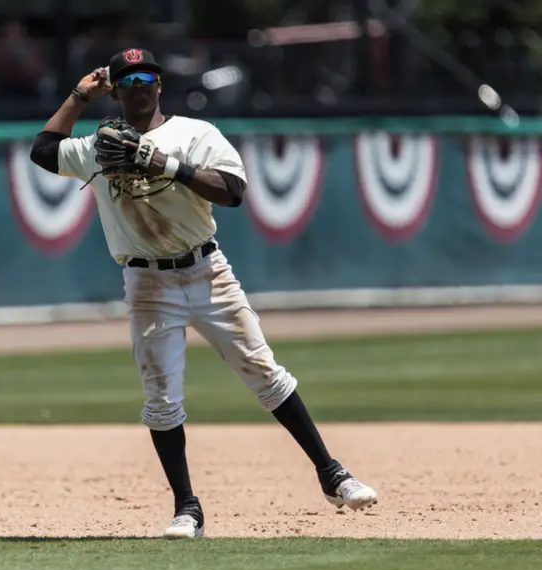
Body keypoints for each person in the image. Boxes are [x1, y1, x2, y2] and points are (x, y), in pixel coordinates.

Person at [30, 48, 378, 539]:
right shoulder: (99, 145)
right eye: (127, 79)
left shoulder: (195, 134)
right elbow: (43, 150)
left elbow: (233, 191)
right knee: (161, 398)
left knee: (265, 374)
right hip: (147, 281)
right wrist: (79, 95)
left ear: (160, 84)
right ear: (117, 88)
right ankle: (187, 508)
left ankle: (331, 474)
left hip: (207, 271)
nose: (138, 85)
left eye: (147, 75)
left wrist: (167, 164)